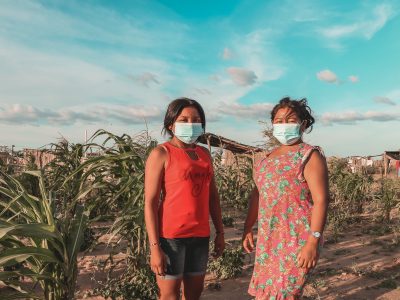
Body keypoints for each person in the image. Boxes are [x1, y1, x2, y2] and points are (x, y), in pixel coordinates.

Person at [242, 97, 329, 299]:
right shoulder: (265, 159)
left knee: (284, 293)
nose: (284, 125)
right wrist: (248, 228)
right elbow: (258, 194)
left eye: (290, 120)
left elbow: (321, 200)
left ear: (303, 124)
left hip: (297, 239)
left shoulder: (309, 155)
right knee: (266, 293)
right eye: (279, 121)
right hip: (269, 239)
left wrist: (312, 242)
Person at [145, 98, 225, 300]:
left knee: (194, 294)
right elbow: (150, 203)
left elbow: (212, 197)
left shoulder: (205, 154)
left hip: (200, 236)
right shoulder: (161, 153)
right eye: (184, 119)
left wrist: (221, 232)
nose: (191, 124)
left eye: (196, 120)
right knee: (169, 295)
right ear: (171, 124)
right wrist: (155, 248)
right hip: (171, 238)